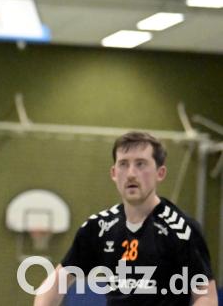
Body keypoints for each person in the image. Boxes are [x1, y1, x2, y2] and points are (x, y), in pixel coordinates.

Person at [34, 131, 217, 306]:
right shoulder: (98, 227)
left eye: (141, 164)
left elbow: (207, 297)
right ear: (114, 173)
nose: (131, 174)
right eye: (123, 164)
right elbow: (54, 284)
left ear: (160, 173)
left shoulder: (181, 229)